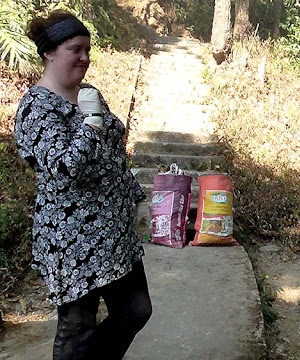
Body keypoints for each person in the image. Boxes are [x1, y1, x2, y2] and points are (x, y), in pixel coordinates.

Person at [13, 11, 152, 360]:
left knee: (136, 310)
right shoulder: (36, 108)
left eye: (88, 50)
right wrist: (89, 123)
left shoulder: (89, 93)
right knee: (77, 331)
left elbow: (111, 151)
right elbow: (65, 168)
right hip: (72, 239)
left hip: (114, 233)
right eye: (75, 49)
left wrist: (135, 199)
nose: (85, 58)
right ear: (49, 52)